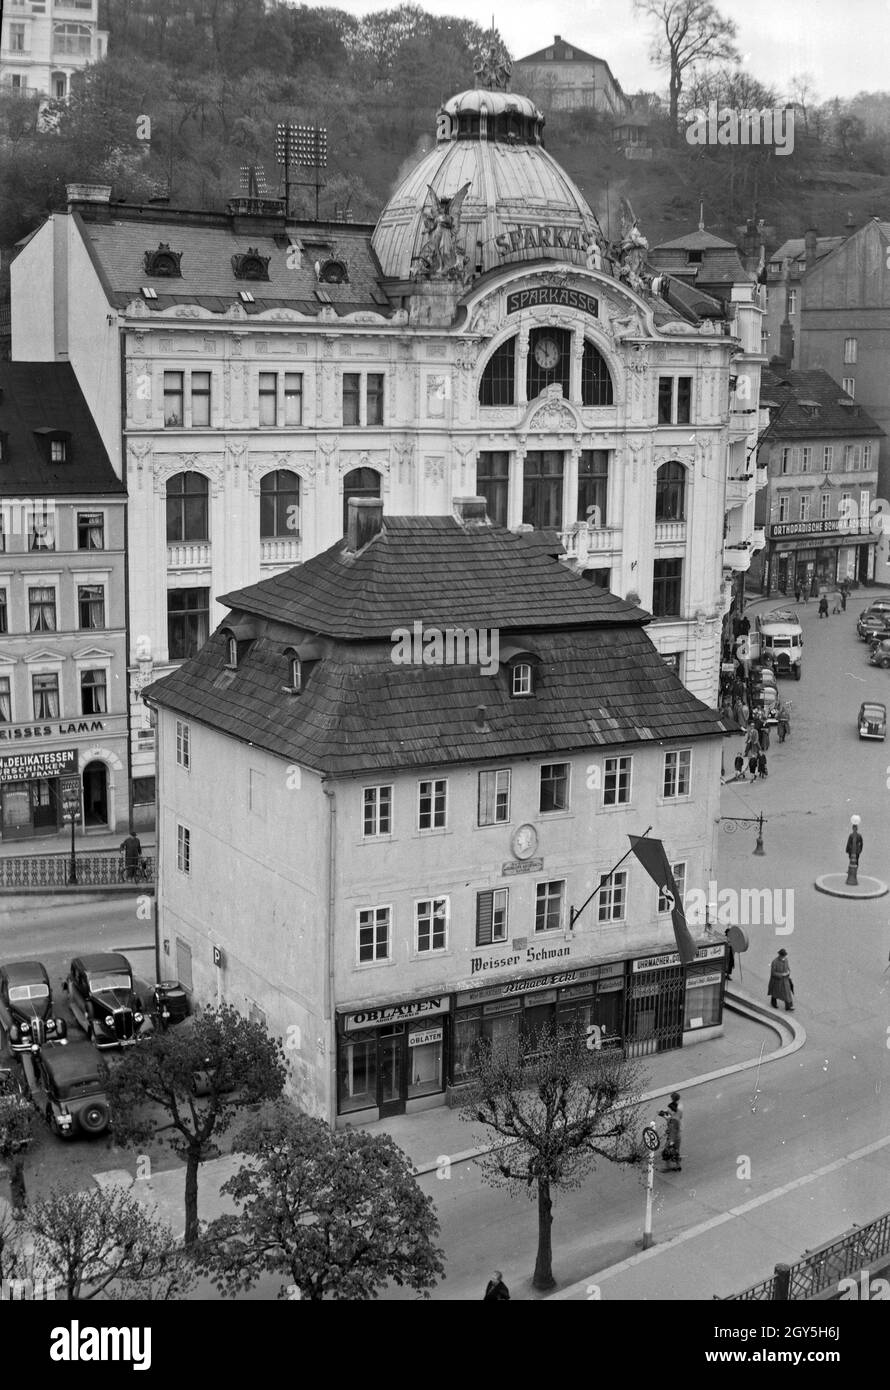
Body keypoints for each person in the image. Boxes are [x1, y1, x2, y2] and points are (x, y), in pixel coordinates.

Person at [659, 1093, 684, 1172]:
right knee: (676, 1151)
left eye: (669, 1110)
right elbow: (669, 1115)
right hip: (678, 1136)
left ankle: (667, 1167)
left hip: (673, 1137)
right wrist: (664, 1113)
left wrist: (671, 1142)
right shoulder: (678, 1113)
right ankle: (678, 1165)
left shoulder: (673, 1121)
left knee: (667, 1152)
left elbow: (672, 1131)